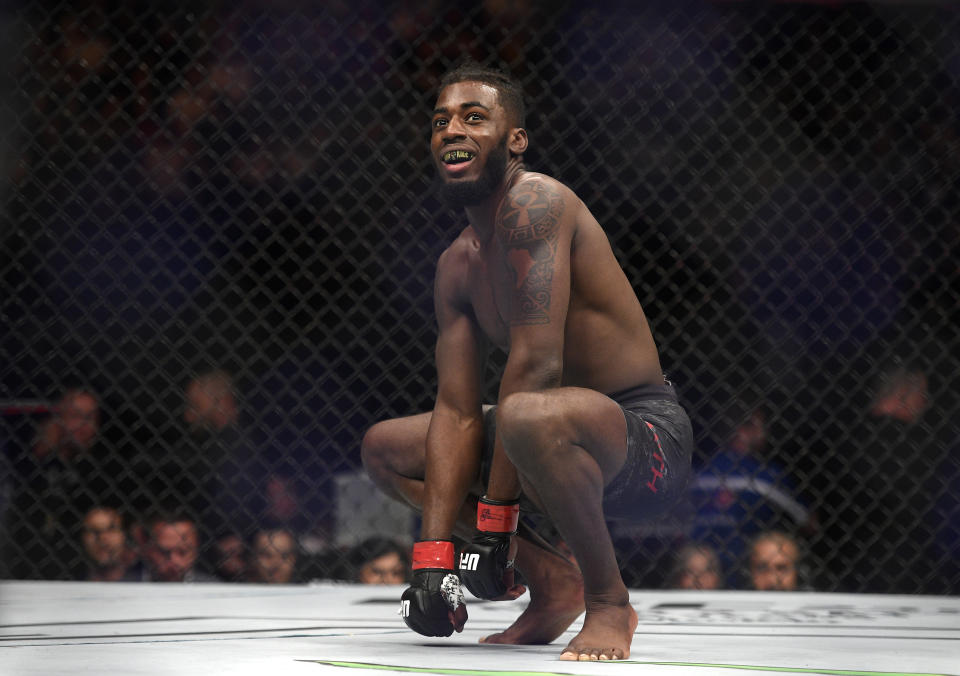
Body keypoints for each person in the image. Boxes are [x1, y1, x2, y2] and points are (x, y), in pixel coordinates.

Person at [361, 63, 693, 661]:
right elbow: (458, 410)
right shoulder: (456, 265)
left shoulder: (537, 202)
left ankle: (610, 602)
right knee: (387, 448)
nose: (451, 129)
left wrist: (495, 523)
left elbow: (537, 368)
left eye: (473, 116)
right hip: (540, 438)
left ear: (515, 140)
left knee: (528, 414)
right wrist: (434, 558)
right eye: (441, 121)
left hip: (642, 441)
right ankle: (553, 583)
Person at [139, 510, 214, 582]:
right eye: (164, 552)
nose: (174, 561)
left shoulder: (213, 590)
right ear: (146, 548)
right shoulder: (128, 586)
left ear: (196, 550)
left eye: (182, 552)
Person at [76, 505, 141, 581]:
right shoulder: (71, 579)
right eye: (93, 530)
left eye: (111, 529)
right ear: (83, 537)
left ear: (124, 534)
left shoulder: (146, 576)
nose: (102, 538)